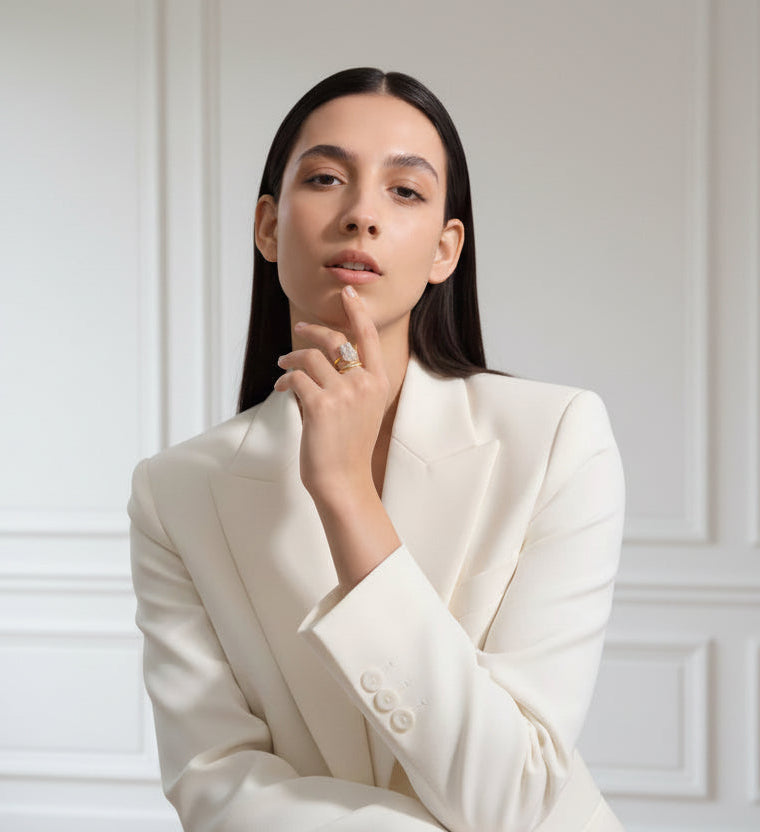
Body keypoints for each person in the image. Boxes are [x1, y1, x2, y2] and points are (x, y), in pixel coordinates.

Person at [128, 67, 626, 832]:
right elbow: (218, 786)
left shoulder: (559, 438)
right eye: (326, 178)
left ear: (445, 250)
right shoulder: (176, 492)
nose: (361, 214)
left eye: (405, 191)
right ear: (268, 226)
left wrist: (346, 492)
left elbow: (515, 796)